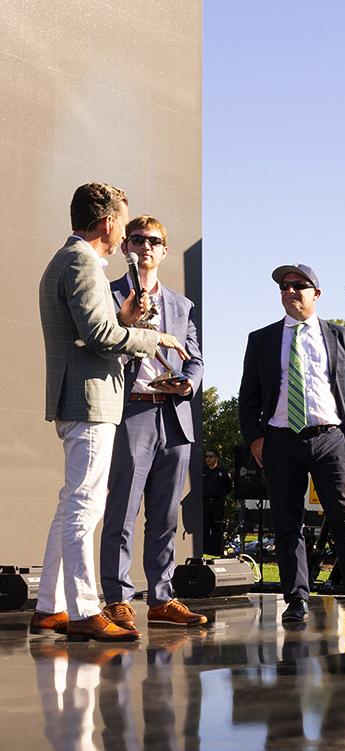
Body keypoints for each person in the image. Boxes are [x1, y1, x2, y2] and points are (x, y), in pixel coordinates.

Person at [35, 183, 190, 641]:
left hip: (83, 398)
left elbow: (95, 330)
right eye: (124, 223)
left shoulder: (70, 260)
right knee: (86, 504)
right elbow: (101, 336)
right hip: (90, 400)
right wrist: (153, 337)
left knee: (71, 504)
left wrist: (124, 321)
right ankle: (84, 611)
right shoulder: (82, 260)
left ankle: (49, 606)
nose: (125, 232)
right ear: (107, 224)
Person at [237, 264, 345, 627]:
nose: (289, 292)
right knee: (287, 525)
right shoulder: (262, 339)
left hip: (330, 440)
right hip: (279, 441)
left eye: (298, 286)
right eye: (284, 287)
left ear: (316, 294)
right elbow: (249, 396)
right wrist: (255, 438)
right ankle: (296, 599)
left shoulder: (340, 336)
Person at [99, 215, 207, 630]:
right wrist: (127, 323)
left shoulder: (182, 306)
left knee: (164, 517)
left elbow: (195, 358)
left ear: (164, 249)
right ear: (126, 246)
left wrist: (188, 383)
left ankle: (162, 597)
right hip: (133, 411)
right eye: (138, 239)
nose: (146, 246)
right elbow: (102, 345)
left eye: (154, 240)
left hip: (174, 415)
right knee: (122, 509)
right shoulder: (110, 295)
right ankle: (118, 598)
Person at [202, 450, 234, 555]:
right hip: (205, 503)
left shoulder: (222, 472)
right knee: (204, 527)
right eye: (206, 457)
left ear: (216, 458)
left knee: (217, 528)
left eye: (210, 456)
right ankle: (204, 550)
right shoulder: (202, 471)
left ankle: (216, 551)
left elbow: (229, 487)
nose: (208, 459)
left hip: (218, 504)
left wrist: (220, 494)